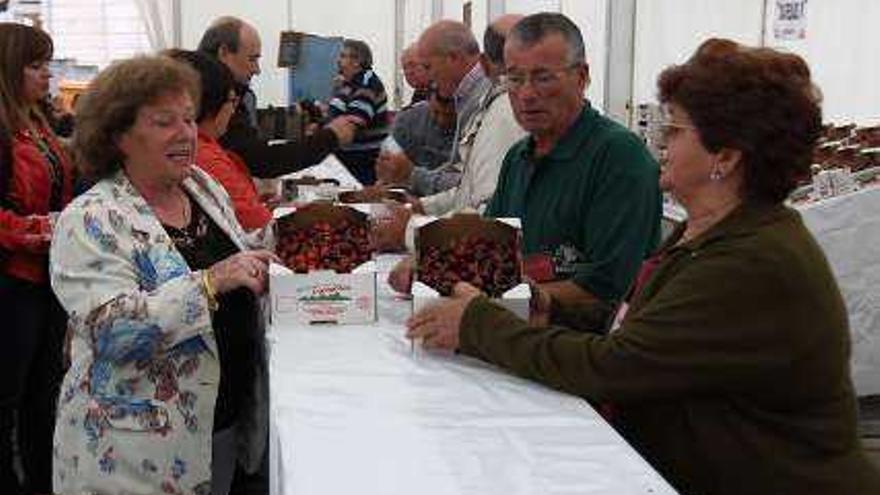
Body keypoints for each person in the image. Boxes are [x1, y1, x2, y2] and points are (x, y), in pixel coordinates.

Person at [406, 39, 880, 495]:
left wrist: (479, 323)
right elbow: (644, 329)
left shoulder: (755, 262)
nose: (661, 143)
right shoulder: (716, 231)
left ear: (726, 157)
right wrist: (549, 308)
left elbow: (616, 368)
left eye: (674, 130)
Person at [50, 55, 275, 495]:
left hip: (219, 425)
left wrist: (289, 237)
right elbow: (110, 329)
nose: (186, 133)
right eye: (164, 122)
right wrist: (209, 283)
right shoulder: (91, 217)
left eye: (189, 119)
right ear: (118, 135)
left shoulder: (201, 186)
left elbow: (240, 249)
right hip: (134, 454)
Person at [0, 23, 75, 495]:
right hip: (11, 283)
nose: (47, 75)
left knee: (43, 398)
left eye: (48, 63)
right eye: (35, 65)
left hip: (43, 279)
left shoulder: (35, 122)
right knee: (8, 400)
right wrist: (40, 230)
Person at [198, 16, 359, 179]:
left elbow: (251, 127)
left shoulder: (226, 91)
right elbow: (260, 160)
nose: (257, 70)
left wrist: (300, 115)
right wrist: (329, 138)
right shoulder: (212, 97)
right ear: (224, 52)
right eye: (252, 59)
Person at [169, 49, 272, 231]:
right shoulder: (204, 156)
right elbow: (258, 224)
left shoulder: (205, 148)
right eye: (231, 101)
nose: (233, 110)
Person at [329, 38, 389, 185]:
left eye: (343, 56)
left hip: (363, 165)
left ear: (357, 61)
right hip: (347, 162)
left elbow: (354, 122)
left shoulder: (366, 83)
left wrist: (321, 137)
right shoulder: (347, 84)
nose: (338, 61)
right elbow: (334, 115)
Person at [400, 43, 430, 107]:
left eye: (412, 65)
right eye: (404, 67)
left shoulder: (442, 93)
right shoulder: (419, 93)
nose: (408, 72)